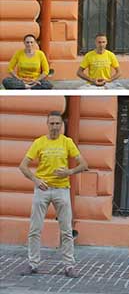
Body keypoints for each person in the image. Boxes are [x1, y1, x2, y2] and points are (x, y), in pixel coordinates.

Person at [18, 111, 88, 277]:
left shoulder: (67, 142)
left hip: (62, 190)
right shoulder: (39, 142)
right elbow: (23, 166)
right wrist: (35, 180)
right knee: (35, 229)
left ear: (61, 125)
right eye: (52, 124)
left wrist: (69, 172)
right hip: (42, 190)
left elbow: (84, 164)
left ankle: (69, 266)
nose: (55, 127)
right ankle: (32, 264)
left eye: (58, 124)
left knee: (66, 230)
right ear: (47, 124)